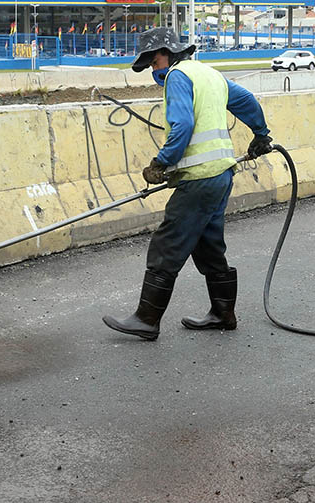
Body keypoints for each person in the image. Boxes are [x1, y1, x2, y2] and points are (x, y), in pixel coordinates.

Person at [103, 27, 273, 341]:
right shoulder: (209, 74)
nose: (154, 71)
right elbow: (247, 101)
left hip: (199, 179)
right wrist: (261, 134)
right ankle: (223, 313)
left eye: (152, 64)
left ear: (163, 54)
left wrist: (161, 163)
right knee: (208, 246)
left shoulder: (178, 77)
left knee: (167, 245)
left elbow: (182, 125)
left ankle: (146, 318)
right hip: (221, 175)